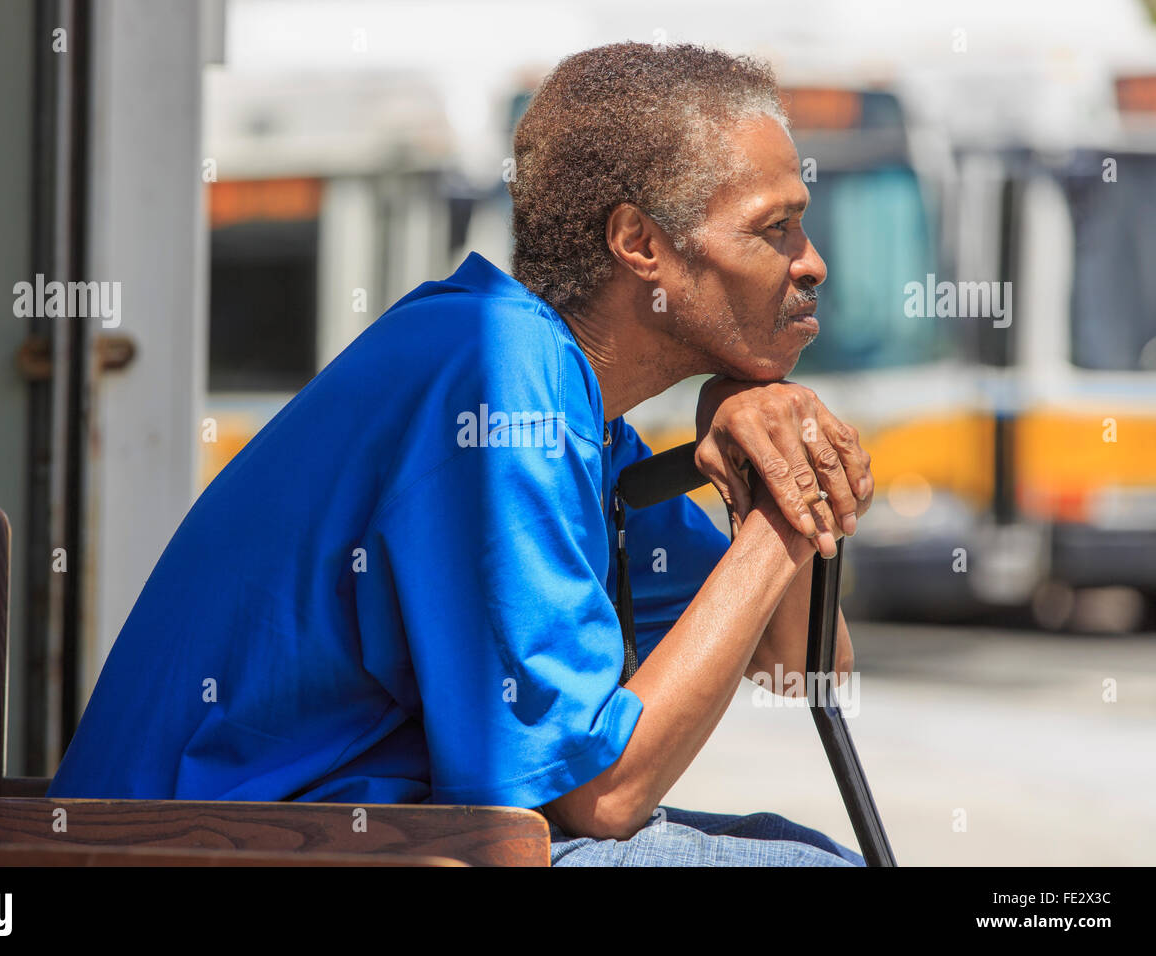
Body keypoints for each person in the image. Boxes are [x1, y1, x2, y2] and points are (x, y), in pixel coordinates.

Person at [49, 41, 874, 867]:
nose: (813, 261)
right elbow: (602, 794)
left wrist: (762, 436)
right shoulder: (495, 377)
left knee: (796, 849)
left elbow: (799, 663)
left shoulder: (578, 414)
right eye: (776, 228)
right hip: (202, 847)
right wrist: (785, 507)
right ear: (640, 244)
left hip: (344, 838)